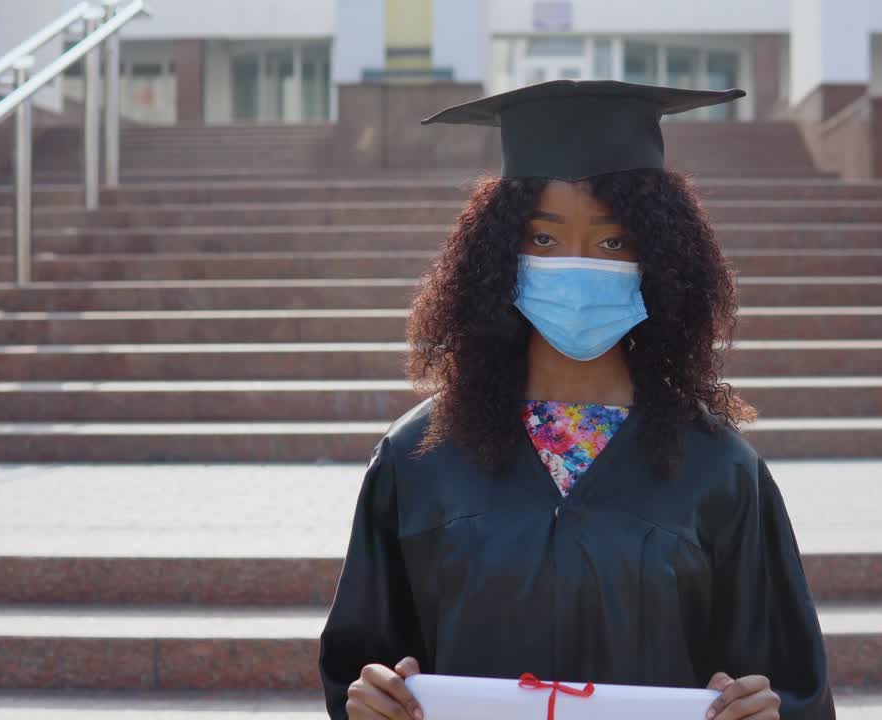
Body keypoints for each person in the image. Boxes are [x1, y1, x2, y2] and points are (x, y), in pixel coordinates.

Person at [318, 79, 835, 720]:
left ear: (663, 260)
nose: (579, 264)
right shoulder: (419, 459)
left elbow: (789, 686)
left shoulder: (722, 471)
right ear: (496, 256)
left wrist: (764, 710)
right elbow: (363, 669)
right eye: (543, 239)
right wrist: (372, 701)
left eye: (615, 242)